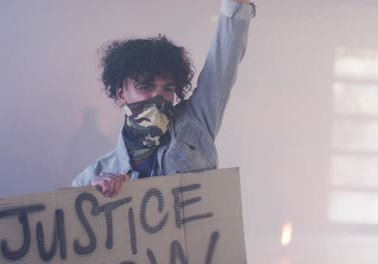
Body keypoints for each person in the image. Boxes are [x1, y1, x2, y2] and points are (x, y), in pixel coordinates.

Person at [72, 0, 255, 197]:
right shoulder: (88, 180)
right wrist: (94, 199)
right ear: (121, 94)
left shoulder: (195, 125)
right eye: (146, 86)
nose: (159, 96)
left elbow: (223, 62)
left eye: (168, 88)